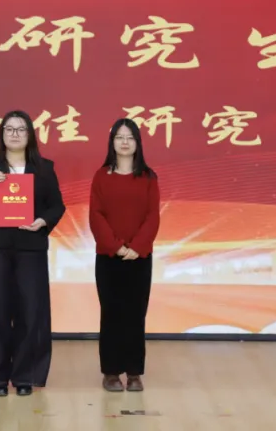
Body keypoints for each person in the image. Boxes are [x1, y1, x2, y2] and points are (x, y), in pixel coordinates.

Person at [0, 109, 66, 397]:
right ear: (2, 134)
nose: (15, 134)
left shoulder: (44, 168)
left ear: (30, 135)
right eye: (9, 129)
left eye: (21, 129)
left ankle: (25, 376)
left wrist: (42, 221)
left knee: (30, 312)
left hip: (30, 249)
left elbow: (57, 206)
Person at [88, 118, 161, 393]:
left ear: (137, 143)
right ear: (112, 142)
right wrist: (116, 246)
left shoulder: (148, 177)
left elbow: (153, 216)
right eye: (119, 137)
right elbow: (96, 215)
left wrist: (137, 247)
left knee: (135, 314)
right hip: (109, 257)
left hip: (139, 258)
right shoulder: (101, 176)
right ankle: (110, 372)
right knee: (111, 314)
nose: (125, 142)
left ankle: (133, 372)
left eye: (130, 137)